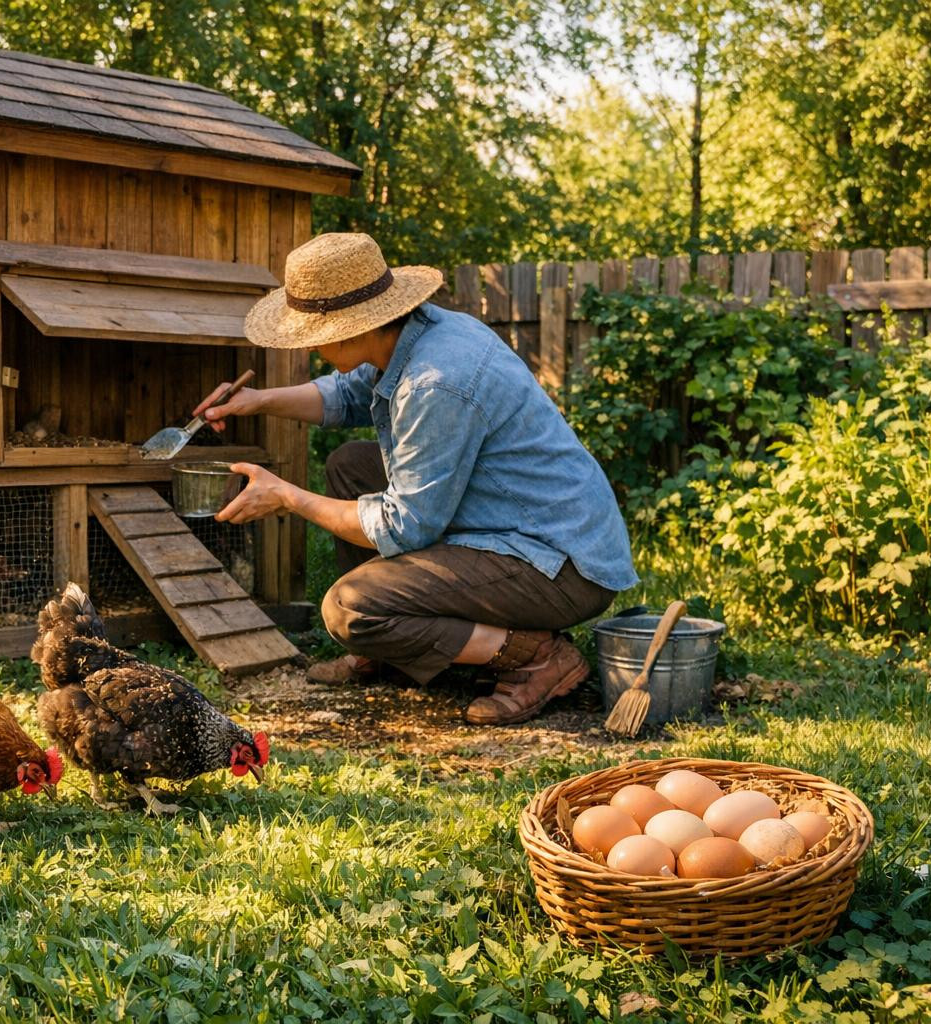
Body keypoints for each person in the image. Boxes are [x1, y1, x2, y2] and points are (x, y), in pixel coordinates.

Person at [199, 232, 638, 725]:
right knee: (351, 465)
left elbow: (403, 526)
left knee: (348, 609)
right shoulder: (417, 333)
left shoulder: (435, 381)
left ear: (350, 329)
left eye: (312, 334)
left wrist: (288, 497)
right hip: (518, 520)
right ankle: (391, 651)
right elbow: (344, 395)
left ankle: (535, 655)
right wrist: (258, 401)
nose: (311, 346)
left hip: (557, 564)